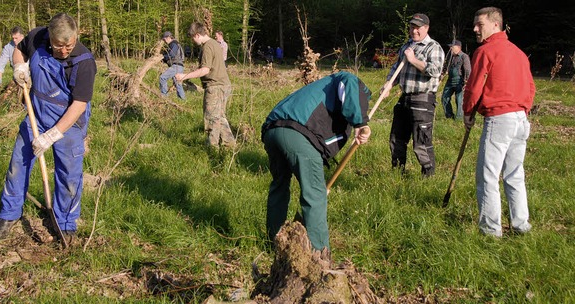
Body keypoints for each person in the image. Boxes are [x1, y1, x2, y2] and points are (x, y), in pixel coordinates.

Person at [0, 13, 97, 243]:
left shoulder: (84, 61)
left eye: (69, 45)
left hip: (69, 122)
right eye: (59, 46)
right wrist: (19, 67)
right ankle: (9, 214)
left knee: (68, 173)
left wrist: (52, 135)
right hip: (36, 114)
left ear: (76, 37)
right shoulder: (37, 36)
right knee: (18, 161)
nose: (64, 50)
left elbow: (79, 105)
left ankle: (65, 222)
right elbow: (19, 49)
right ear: (49, 37)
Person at [261, 71, 372, 253]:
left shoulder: (321, 89)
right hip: (296, 132)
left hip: (272, 131)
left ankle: (273, 242)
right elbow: (348, 82)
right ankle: (320, 254)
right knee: (314, 194)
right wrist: (361, 123)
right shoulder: (349, 81)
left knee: (279, 186)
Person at [463, 7, 535, 237]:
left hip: (500, 118)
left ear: (496, 24)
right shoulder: (519, 53)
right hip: (521, 118)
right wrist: (522, 108)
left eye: (479, 24)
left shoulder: (485, 51)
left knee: (488, 176)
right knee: (515, 174)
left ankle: (491, 231)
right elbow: (531, 87)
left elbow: (474, 86)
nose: (475, 28)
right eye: (475, 24)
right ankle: (521, 225)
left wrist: (468, 111)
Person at [380, 13, 445, 177]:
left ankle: (428, 177)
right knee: (397, 138)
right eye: (412, 27)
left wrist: (413, 59)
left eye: (418, 27)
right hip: (405, 98)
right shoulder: (406, 46)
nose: (414, 31)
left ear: (426, 28)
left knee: (421, 142)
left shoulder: (433, 47)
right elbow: (396, 69)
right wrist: (389, 84)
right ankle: (397, 173)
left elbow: (435, 71)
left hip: (423, 99)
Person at [175, 22, 236, 147]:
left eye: (192, 38)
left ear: (197, 35)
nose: (193, 41)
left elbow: (205, 70)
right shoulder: (215, 43)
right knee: (219, 117)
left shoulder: (207, 46)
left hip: (215, 86)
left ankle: (212, 147)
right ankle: (229, 145)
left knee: (212, 118)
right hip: (224, 85)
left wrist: (184, 76)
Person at [441, 39, 471, 119]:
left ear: (458, 47)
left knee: (459, 99)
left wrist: (466, 81)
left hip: (459, 81)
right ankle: (449, 116)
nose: (450, 48)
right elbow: (446, 68)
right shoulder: (451, 57)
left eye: (452, 47)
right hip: (450, 80)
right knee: (444, 97)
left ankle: (459, 118)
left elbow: (468, 69)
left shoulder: (464, 56)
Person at [159, 31, 186, 100]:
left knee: (162, 78)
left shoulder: (173, 44)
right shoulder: (175, 44)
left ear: (168, 37)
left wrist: (162, 57)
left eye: (164, 39)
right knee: (178, 84)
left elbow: (172, 55)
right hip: (179, 66)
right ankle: (182, 100)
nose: (164, 41)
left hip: (176, 65)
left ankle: (164, 97)